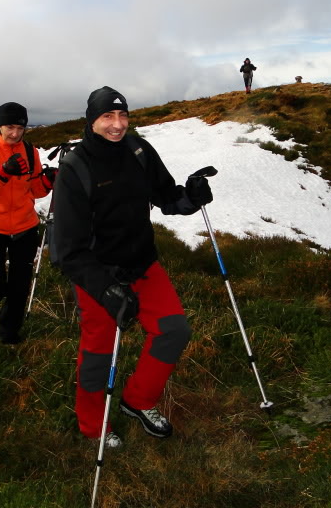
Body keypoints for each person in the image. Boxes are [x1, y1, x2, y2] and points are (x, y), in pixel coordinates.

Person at [52, 86, 213, 448]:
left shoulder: (138, 150)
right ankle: (93, 424)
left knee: (174, 330)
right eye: (108, 116)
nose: (117, 124)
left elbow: (166, 197)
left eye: (123, 115)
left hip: (142, 264)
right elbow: (68, 250)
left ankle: (137, 400)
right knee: (98, 354)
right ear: (92, 120)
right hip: (98, 274)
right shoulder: (75, 167)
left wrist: (190, 196)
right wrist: (105, 289)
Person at [0, 102, 56, 344]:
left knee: (20, 285)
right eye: (10, 127)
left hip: (25, 226)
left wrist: (47, 182)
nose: (15, 133)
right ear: (0, 126)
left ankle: (9, 332)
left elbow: (36, 190)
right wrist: (3, 173)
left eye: (20, 127)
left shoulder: (30, 151)